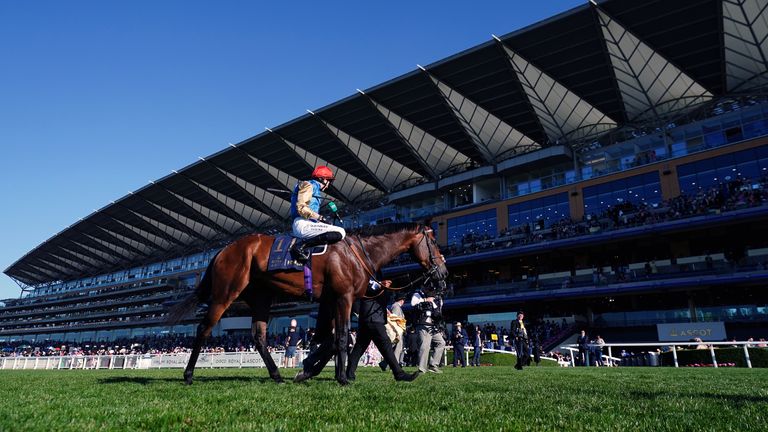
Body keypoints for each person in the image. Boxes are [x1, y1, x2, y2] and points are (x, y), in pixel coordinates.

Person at [346, 279, 419, 382]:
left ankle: (349, 374)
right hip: (372, 318)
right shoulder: (365, 278)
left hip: (371, 317)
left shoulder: (373, 278)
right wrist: (380, 286)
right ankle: (399, 374)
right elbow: (364, 292)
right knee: (385, 345)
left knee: (359, 347)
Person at [289, 165, 346, 263]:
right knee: (341, 232)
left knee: (333, 228)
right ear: (322, 179)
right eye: (328, 181)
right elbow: (301, 208)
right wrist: (320, 218)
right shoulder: (308, 185)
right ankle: (300, 247)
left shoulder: (314, 188)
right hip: (303, 224)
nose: (328, 184)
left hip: (310, 223)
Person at [411, 287, 446, 374]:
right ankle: (422, 368)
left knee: (441, 342)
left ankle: (433, 365)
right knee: (425, 346)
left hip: (432, 326)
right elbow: (413, 304)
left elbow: (437, 312)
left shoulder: (435, 300)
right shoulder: (418, 294)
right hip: (423, 324)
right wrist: (426, 299)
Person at [381, 293, 407, 370]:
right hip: (397, 331)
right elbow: (394, 319)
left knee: (394, 348)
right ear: (402, 300)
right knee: (397, 349)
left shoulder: (395, 306)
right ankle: (394, 366)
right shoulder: (396, 307)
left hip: (397, 330)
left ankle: (384, 363)